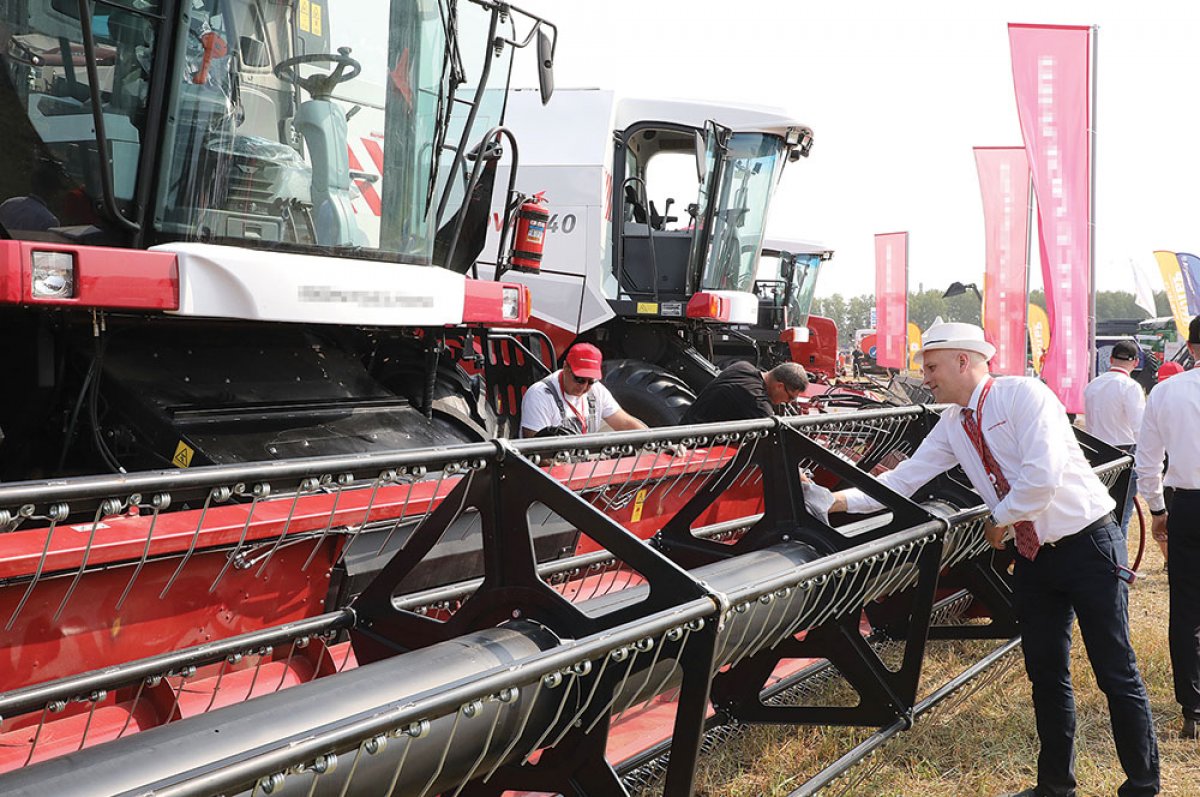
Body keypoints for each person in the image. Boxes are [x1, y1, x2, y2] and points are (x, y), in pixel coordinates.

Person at [826, 322, 1159, 797]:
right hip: (1036, 560)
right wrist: (832, 503)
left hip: (1087, 546)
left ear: (965, 361)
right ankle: (1054, 787)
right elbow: (904, 482)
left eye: (933, 367)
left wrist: (999, 518)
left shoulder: (1024, 395)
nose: (927, 378)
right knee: (1045, 672)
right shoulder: (953, 423)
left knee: (1114, 670)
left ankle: (1143, 786)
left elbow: (1041, 476)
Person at [1134, 315, 1200, 740]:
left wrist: (1157, 509)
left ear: (1191, 349)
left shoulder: (1167, 391)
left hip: (1188, 505)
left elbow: (1147, 459)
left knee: (1187, 609)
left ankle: (1192, 709)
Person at [1083, 339, 1145, 533]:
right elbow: (1140, 428)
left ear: (1110, 358)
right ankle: (1118, 561)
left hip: (1094, 454)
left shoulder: (1092, 385)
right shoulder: (1130, 386)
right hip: (1124, 454)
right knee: (1121, 517)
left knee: (1099, 517)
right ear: (1135, 362)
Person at [519, 343, 646, 438]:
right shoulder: (540, 395)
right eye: (579, 379)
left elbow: (624, 423)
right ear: (565, 367)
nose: (584, 386)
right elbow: (535, 451)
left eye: (590, 381)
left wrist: (653, 441)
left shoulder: (597, 391)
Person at [679, 361, 808, 425]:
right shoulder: (756, 400)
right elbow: (775, 442)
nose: (788, 402)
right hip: (695, 448)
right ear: (779, 386)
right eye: (790, 397)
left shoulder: (743, 366)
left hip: (687, 432)